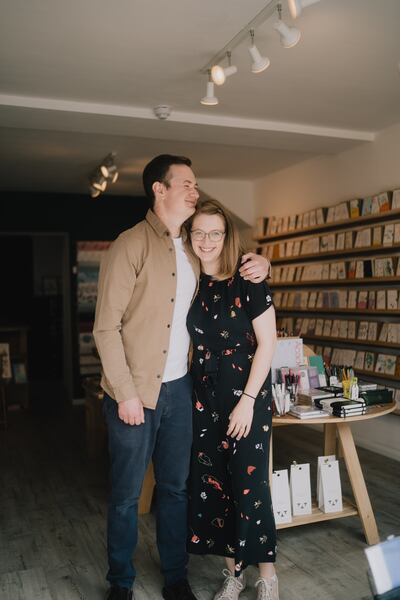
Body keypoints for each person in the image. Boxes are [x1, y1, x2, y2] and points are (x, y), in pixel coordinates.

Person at [93, 154, 271, 600]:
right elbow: (104, 327)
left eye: (196, 185)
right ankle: (120, 583)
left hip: (181, 391)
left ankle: (176, 578)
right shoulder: (129, 244)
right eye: (186, 184)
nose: (195, 191)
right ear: (159, 189)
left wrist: (259, 265)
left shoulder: (195, 248)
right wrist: (127, 394)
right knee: (127, 495)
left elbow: (230, 263)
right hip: (133, 393)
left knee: (175, 490)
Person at [184, 199, 278, 600]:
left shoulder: (248, 277)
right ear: (190, 235)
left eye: (215, 233)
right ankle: (232, 574)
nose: (207, 241)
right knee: (214, 484)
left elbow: (268, 342)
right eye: (199, 232)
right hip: (202, 393)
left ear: (227, 236)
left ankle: (267, 576)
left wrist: (248, 400)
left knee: (249, 485)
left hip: (246, 392)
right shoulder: (187, 277)